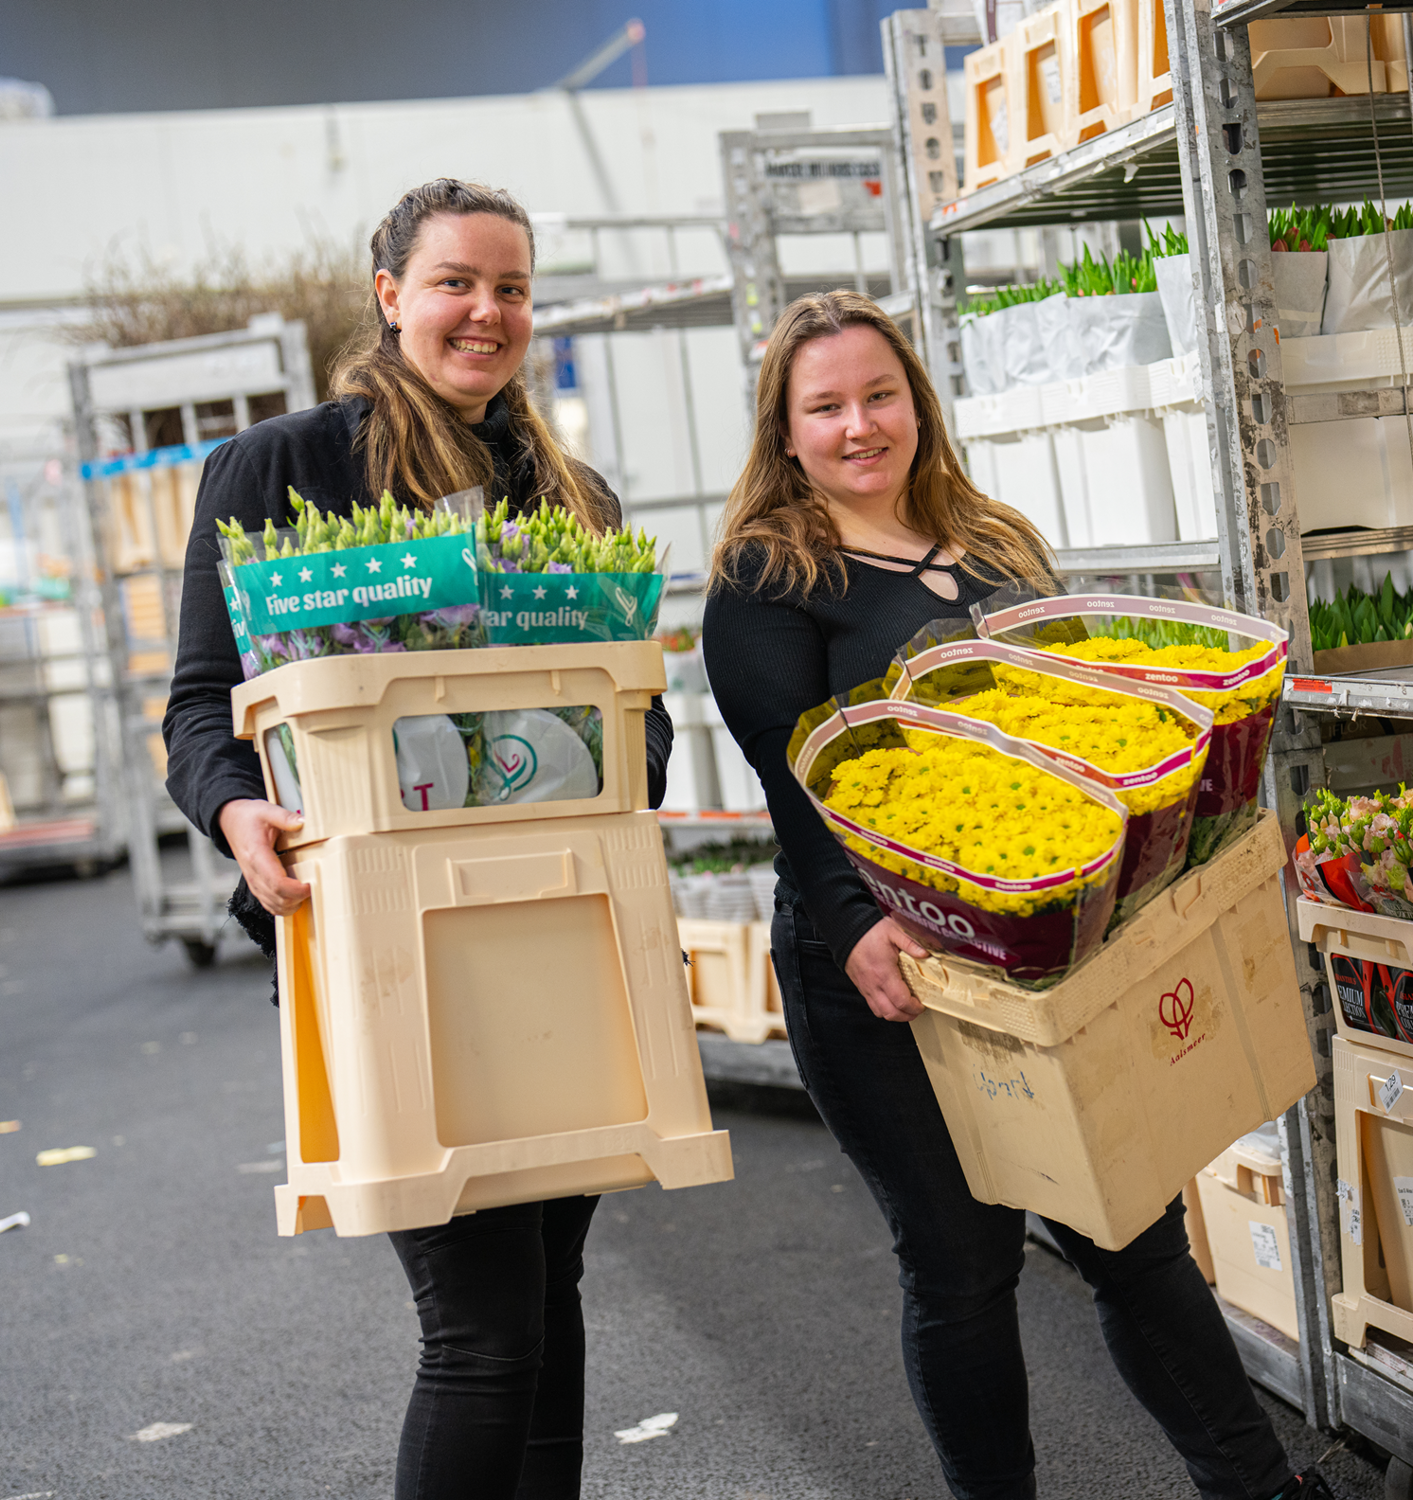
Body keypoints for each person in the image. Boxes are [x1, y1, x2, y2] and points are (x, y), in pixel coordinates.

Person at [702, 288, 1331, 1500]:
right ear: (785, 432)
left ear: (917, 405)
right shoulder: (769, 577)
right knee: (961, 1264)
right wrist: (853, 929)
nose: (859, 425)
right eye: (824, 406)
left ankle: (1261, 1488)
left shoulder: (993, 543)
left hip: (1040, 950)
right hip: (883, 967)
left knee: (1129, 1233)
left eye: (880, 395)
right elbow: (796, 774)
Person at [163, 178, 673, 1500]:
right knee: (484, 1331)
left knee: (549, 1307)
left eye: (510, 288)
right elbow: (199, 704)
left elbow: (642, 720)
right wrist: (235, 809)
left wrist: (624, 770)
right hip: (382, 937)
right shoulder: (283, 469)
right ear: (390, 295)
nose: (485, 313)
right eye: (456, 282)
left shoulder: (575, 496)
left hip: (559, 921)